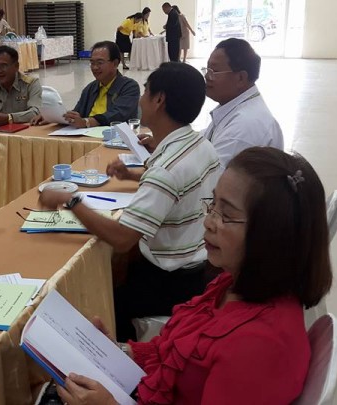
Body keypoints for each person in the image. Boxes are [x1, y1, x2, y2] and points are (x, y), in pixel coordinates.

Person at [55, 147, 333, 405]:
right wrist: (117, 352)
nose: (208, 222)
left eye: (226, 215)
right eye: (213, 205)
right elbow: (177, 354)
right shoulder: (232, 283)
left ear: (271, 237)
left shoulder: (258, 345)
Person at [39, 62, 221, 341]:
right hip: (196, 269)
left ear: (159, 100)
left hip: (168, 283)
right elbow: (178, 187)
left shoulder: (166, 169)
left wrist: (71, 201)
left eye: (146, 92)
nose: (140, 100)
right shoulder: (201, 145)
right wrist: (133, 175)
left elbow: (123, 238)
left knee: (92, 302)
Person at [200, 38, 284, 166]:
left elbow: (211, 175)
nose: (207, 77)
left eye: (214, 71)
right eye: (207, 70)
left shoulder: (244, 127)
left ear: (241, 78)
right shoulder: (236, 106)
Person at [31, 41, 140, 128]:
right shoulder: (91, 88)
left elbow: (117, 114)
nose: (95, 67)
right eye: (92, 63)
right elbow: (77, 113)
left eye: (100, 63)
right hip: (86, 136)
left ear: (115, 63)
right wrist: (52, 117)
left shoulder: (129, 86)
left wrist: (87, 122)